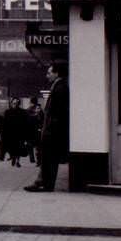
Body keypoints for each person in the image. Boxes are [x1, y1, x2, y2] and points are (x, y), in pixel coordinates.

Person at [25, 62, 69, 193]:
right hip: (52, 129)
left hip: (52, 130)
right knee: (49, 158)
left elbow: (57, 112)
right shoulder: (59, 86)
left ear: (57, 73)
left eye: (49, 72)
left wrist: (49, 129)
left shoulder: (60, 88)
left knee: (49, 158)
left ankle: (44, 183)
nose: (47, 75)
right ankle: (44, 183)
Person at [0, 97, 32, 168]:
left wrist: (26, 134)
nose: (15, 105)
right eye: (14, 103)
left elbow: (26, 123)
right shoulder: (7, 112)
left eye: (16, 103)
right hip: (11, 133)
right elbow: (5, 123)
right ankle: (13, 157)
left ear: (18, 104)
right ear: (11, 104)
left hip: (19, 133)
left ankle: (17, 160)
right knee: (11, 147)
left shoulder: (22, 112)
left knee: (19, 148)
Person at [27, 96, 44, 166]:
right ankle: (37, 160)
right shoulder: (39, 112)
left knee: (34, 146)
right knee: (36, 147)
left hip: (34, 132)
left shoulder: (30, 110)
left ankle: (35, 160)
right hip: (35, 132)